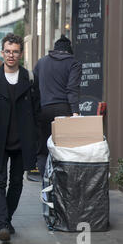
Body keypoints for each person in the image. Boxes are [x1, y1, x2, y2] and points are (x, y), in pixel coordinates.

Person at [0, 33, 40, 243]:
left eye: (15, 51)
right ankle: (3, 225)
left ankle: (7, 219)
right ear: (2, 53)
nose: (11, 55)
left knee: (16, 184)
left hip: (22, 141)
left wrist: (36, 141)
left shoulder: (30, 78)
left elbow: (37, 112)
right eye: (8, 51)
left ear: (21, 54)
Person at [33, 34, 81, 179]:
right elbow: (72, 89)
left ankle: (46, 181)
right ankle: (60, 184)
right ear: (69, 50)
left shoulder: (41, 63)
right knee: (64, 150)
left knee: (42, 150)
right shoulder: (74, 63)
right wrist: (75, 112)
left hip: (43, 110)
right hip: (64, 110)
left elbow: (34, 89)